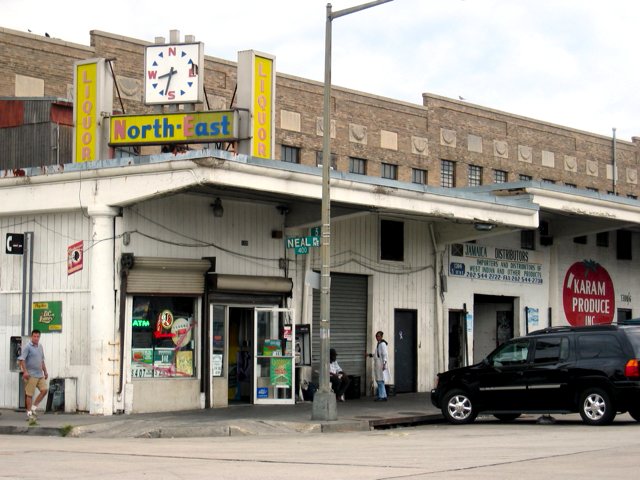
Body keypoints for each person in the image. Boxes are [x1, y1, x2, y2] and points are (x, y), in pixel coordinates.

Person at [18, 329, 49, 419]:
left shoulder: (40, 346)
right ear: (32, 337)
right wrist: (25, 372)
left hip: (39, 374)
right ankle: (29, 414)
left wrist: (45, 371)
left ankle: (33, 408)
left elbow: (42, 360)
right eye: (34, 336)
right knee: (29, 394)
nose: (36, 338)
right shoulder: (28, 347)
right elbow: (22, 359)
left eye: (37, 336)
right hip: (30, 374)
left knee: (44, 390)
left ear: (39, 337)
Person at [371, 331, 389, 401]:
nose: (377, 337)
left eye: (378, 336)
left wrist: (384, 364)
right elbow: (376, 354)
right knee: (380, 380)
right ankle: (383, 395)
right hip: (378, 363)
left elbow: (385, 354)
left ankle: (382, 396)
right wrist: (370, 355)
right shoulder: (379, 344)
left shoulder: (382, 344)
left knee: (380, 380)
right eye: (376, 336)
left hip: (381, 364)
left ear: (381, 337)